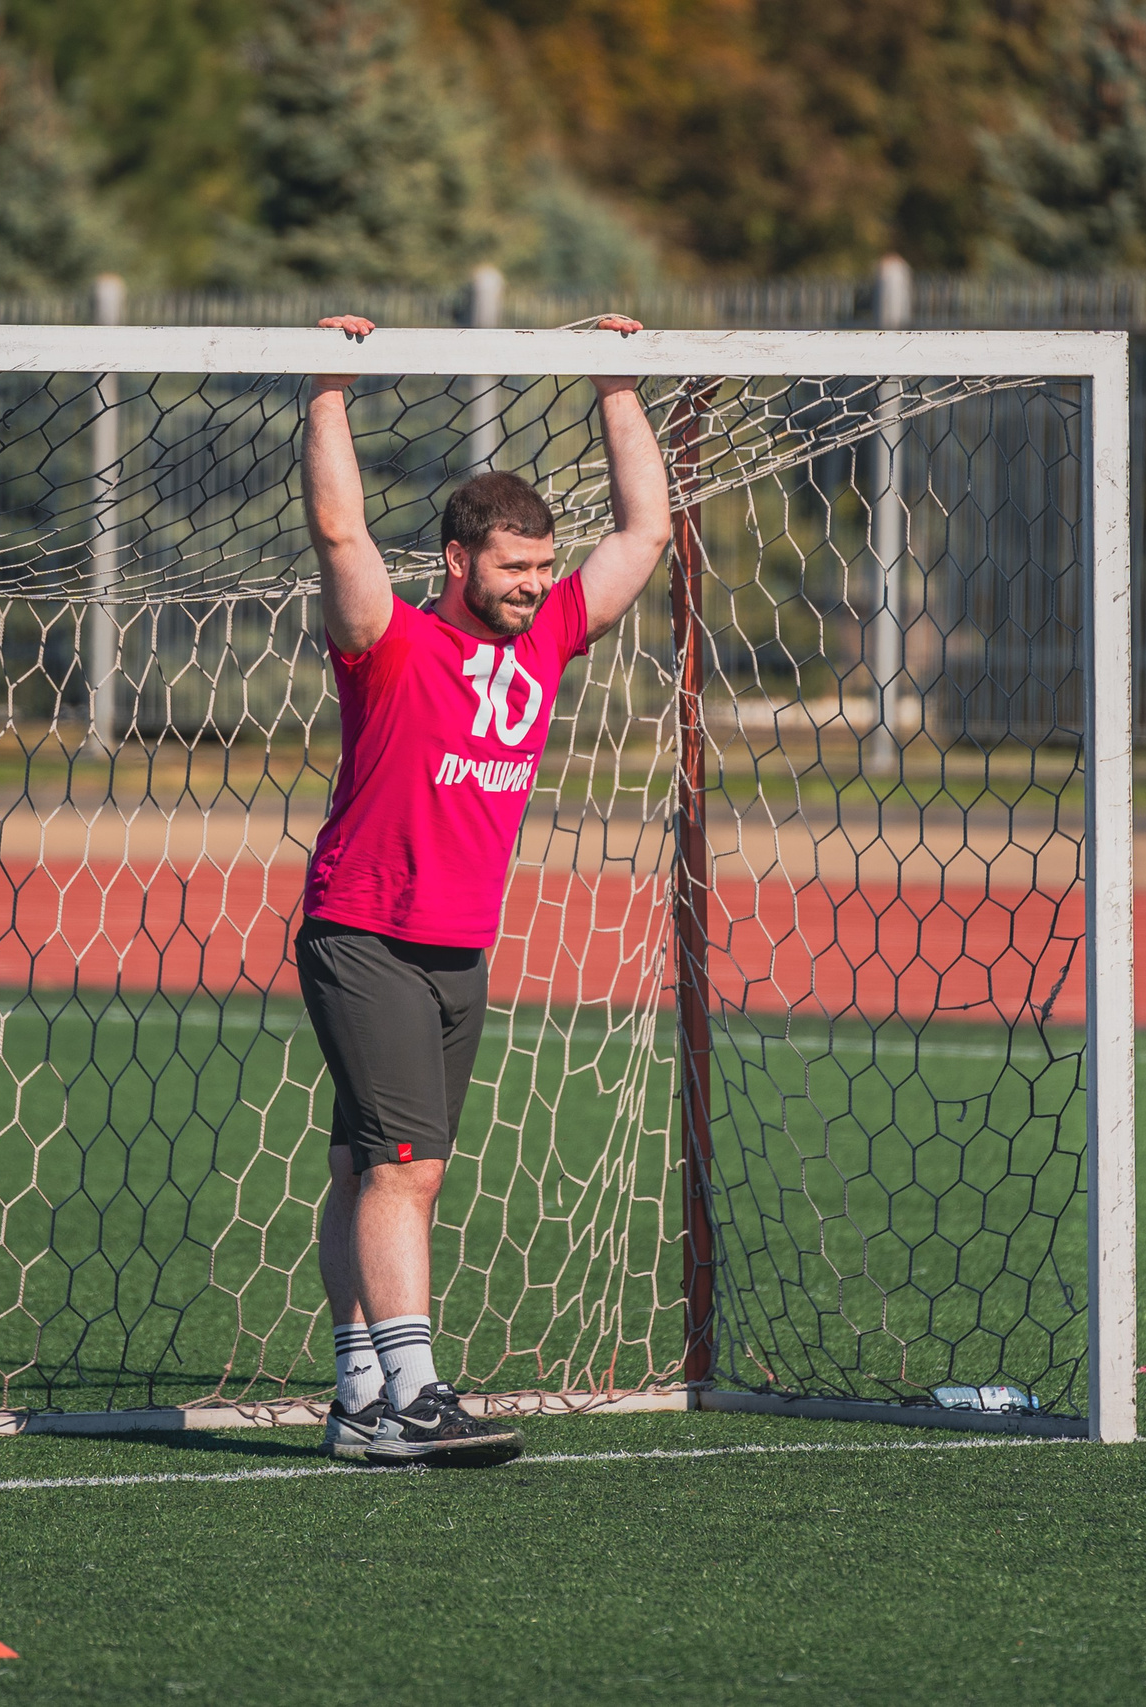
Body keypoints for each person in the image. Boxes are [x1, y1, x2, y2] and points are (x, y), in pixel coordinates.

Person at [299, 311, 670, 1464]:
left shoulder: (551, 637)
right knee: (406, 1168)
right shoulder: (391, 641)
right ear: (457, 563)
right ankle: (412, 1394)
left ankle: (360, 1400)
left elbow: (646, 528)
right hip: (362, 929)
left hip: (458, 944)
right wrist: (324, 387)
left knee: (374, 1163)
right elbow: (337, 527)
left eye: (542, 569)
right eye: (513, 570)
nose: (533, 587)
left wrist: (615, 384)